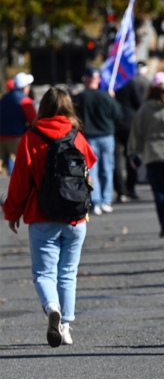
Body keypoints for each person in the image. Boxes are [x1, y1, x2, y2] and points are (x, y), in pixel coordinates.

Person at [2, 86, 96, 347]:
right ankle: (65, 326)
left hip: (41, 214)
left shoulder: (31, 138)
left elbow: (20, 182)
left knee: (44, 273)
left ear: (42, 107)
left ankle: (52, 308)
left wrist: (12, 212)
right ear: (68, 108)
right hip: (75, 217)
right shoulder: (77, 136)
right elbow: (90, 169)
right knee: (68, 272)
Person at [128, 72, 164, 238]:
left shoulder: (145, 109)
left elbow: (136, 133)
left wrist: (133, 153)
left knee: (159, 193)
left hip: (152, 156)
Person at [73, 68, 122, 216]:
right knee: (107, 169)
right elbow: (118, 114)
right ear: (98, 80)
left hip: (88, 137)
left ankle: (96, 200)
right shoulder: (106, 97)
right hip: (106, 136)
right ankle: (106, 200)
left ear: (86, 80)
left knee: (91, 170)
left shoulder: (79, 98)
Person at [113, 73, 144, 202]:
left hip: (113, 124)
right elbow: (138, 102)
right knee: (131, 155)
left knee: (115, 160)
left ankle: (121, 191)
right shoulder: (129, 83)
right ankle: (130, 188)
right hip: (129, 123)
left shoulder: (108, 85)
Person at [0, 72, 37, 175]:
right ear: (24, 87)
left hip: (1, 136)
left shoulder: (4, 98)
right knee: (18, 167)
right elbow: (33, 120)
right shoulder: (24, 101)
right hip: (16, 137)